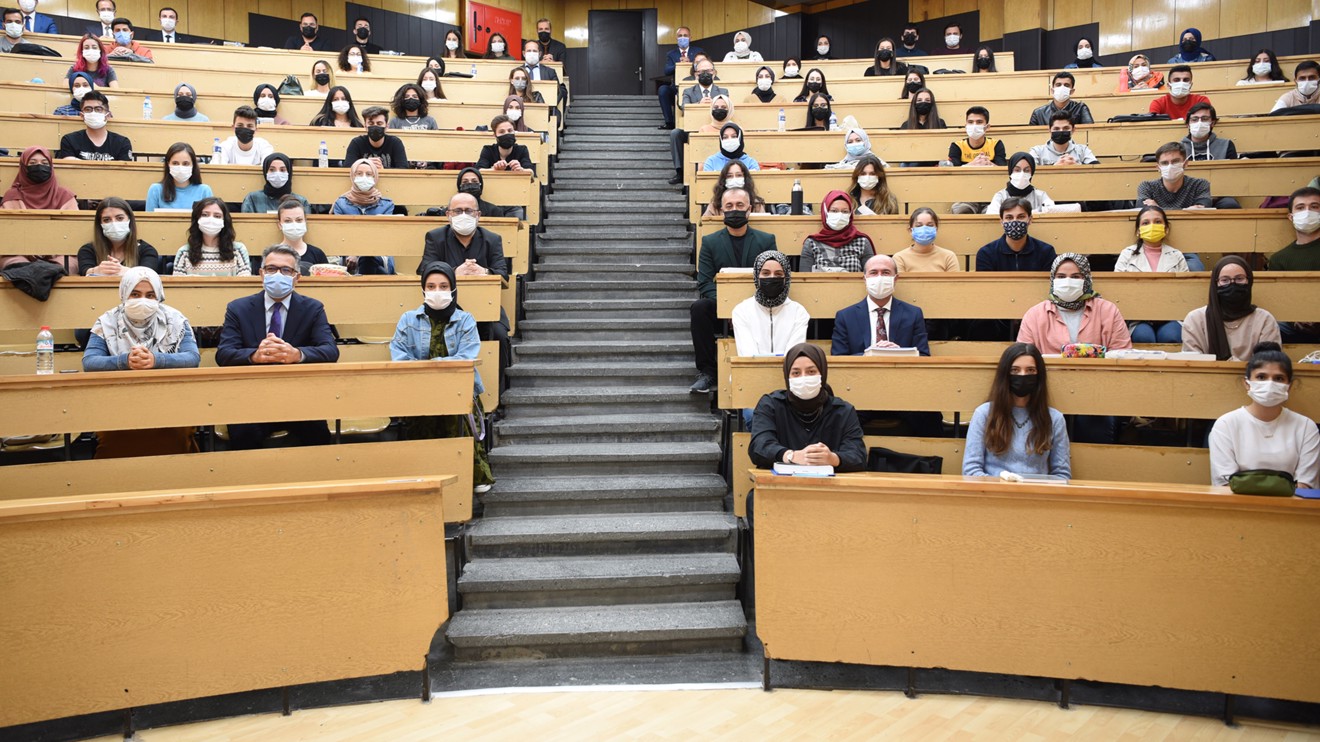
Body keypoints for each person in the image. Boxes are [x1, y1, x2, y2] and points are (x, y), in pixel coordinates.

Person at [216, 244, 340, 449]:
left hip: (298, 395)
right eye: (272, 269)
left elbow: (330, 350)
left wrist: (296, 354)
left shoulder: (313, 308)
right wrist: (255, 355)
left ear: (297, 277)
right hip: (252, 396)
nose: (278, 274)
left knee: (318, 438)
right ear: (262, 274)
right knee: (243, 436)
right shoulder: (238, 308)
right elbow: (224, 354)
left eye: (286, 270)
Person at [391, 261, 495, 493]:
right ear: (423, 289)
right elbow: (398, 356)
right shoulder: (407, 319)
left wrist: (430, 367)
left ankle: (472, 477)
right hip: (418, 388)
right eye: (431, 286)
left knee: (457, 408)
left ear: (453, 289)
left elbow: (466, 356)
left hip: (457, 386)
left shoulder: (465, 319)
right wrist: (429, 373)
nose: (437, 291)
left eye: (443, 286)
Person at [83, 266, 201, 457]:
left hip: (169, 400)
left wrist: (156, 360)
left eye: (150, 295)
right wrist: (125, 362)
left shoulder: (175, 320)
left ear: (159, 297)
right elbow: (90, 361)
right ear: (124, 294)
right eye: (135, 294)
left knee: (175, 439)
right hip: (119, 401)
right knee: (116, 442)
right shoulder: (107, 321)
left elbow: (192, 358)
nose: (142, 300)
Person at [417, 192, 511, 388]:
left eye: (469, 211)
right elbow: (424, 269)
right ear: (448, 215)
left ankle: (496, 392)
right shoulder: (435, 237)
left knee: (500, 335)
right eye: (458, 211)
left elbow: (503, 273)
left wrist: (483, 272)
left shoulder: (492, 239)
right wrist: (452, 273)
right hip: (444, 308)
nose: (463, 215)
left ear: (478, 215)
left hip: (486, 310)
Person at [690, 187, 777, 394]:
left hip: (758, 305)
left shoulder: (766, 240)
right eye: (729, 206)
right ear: (721, 210)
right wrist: (729, 308)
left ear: (749, 209)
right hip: (722, 305)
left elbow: (773, 277)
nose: (734, 210)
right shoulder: (710, 242)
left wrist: (745, 308)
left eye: (739, 205)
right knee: (699, 308)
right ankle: (708, 372)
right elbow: (705, 282)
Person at [1209, 342, 1318, 489]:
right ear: (1247, 383)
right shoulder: (1225, 425)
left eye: (1279, 379)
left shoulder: (1306, 427)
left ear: (1289, 386)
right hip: (1238, 508)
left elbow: (1306, 485)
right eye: (1261, 377)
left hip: (1290, 509)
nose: (1270, 384)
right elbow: (1224, 485)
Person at [749, 343, 866, 473]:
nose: (803, 378)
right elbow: (758, 447)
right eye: (796, 373)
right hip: (778, 487)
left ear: (822, 373)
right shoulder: (770, 405)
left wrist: (833, 458)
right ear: (787, 376)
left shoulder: (843, 411)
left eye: (811, 372)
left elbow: (858, 455)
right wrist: (791, 456)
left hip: (829, 489)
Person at [962, 343, 1070, 479]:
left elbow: (1062, 475)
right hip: (994, 495)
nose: (1023, 375)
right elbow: (971, 471)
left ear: (1039, 375)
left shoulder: (1054, 418)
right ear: (1005, 374)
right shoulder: (984, 414)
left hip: (1036, 496)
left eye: (1030, 370)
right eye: (1015, 370)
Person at [1017, 253, 1133, 353]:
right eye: (1061, 277)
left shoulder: (1108, 311)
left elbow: (1121, 353)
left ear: (1086, 280)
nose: (1067, 282)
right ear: (1053, 280)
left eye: (1076, 277)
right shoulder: (1034, 315)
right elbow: (1024, 356)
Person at [1114, 205, 1188, 343]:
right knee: (1143, 337)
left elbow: (1185, 291)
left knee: (1171, 336)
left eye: (1158, 222)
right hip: (1137, 317)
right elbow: (1119, 291)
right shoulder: (1126, 255)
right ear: (1138, 231)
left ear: (1166, 229)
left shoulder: (1176, 255)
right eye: (1146, 223)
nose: (1152, 226)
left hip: (1169, 315)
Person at [1182, 257, 1280, 361]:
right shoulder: (1195, 320)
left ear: (1249, 281)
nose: (1232, 284)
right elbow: (1193, 365)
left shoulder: (1264, 320)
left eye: (1239, 279)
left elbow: (1269, 365)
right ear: (1215, 284)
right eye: (1225, 280)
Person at [832, 253, 930, 356]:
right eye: (873, 272)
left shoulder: (913, 314)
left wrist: (900, 354)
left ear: (895, 279)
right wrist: (868, 354)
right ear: (865, 279)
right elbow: (839, 356)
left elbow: (923, 355)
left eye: (885, 272)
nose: (879, 277)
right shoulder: (846, 316)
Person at [732, 250, 809, 357]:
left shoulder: (799, 312)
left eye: (778, 274)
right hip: (750, 373)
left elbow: (793, 357)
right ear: (757, 276)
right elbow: (748, 356)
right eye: (766, 273)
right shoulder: (742, 311)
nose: (772, 278)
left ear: (786, 278)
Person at [78, 197, 158, 276]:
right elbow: (85, 271)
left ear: (129, 220)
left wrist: (126, 271)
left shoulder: (147, 250)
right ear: (100, 224)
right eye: (107, 220)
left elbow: (149, 273)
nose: (114, 223)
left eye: (120, 218)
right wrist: (96, 270)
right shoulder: (88, 250)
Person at [172, 197, 250, 276]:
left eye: (217, 216)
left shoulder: (238, 250)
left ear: (225, 221)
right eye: (205, 215)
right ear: (197, 219)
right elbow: (178, 286)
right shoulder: (184, 252)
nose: (210, 220)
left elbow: (244, 285)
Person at [975, 198, 1056, 272]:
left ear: (1030, 220)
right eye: (1009, 217)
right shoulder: (986, 254)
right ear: (1001, 222)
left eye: (1021, 217)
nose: (1015, 222)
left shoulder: (1046, 252)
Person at [801, 192, 875, 272]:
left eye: (845, 212)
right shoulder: (811, 243)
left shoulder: (862, 242)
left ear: (850, 214)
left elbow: (871, 275)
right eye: (834, 211)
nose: (839, 215)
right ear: (824, 212)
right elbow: (805, 279)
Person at [56, 91, 133, 161]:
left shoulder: (122, 143)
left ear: (108, 115)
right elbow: (69, 168)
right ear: (82, 115)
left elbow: (123, 173)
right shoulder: (69, 140)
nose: (93, 112)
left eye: (98, 109)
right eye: (88, 109)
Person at [1138, 141, 1212, 210]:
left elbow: (1203, 207)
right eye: (1164, 163)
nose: (1170, 166)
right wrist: (1186, 211)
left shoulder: (1199, 184)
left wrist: (1158, 209)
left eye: (1175, 161)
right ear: (1158, 167)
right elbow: (1144, 210)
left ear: (1185, 164)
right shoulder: (1147, 186)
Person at [2, 146, 77, 210]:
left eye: (44, 163)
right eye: (32, 163)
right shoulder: (12, 196)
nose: (39, 167)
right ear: (24, 168)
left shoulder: (65, 196)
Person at [658, 26, 703, 130]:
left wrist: (691, 63)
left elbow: (705, 65)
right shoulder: (671, 54)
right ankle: (669, 122)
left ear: (690, 37)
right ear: (676, 38)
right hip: (676, 87)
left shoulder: (698, 51)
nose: (683, 38)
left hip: (695, 85)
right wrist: (678, 64)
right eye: (680, 36)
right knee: (663, 90)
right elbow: (667, 71)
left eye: (685, 35)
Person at [145, 142, 211, 212]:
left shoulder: (204, 191)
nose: (180, 168)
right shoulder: (156, 190)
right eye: (175, 163)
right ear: (168, 164)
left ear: (193, 165)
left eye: (185, 163)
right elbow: (149, 222)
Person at [985, 152, 1056, 215]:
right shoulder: (1000, 196)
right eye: (1017, 170)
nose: (1022, 174)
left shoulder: (1040, 195)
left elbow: (1052, 212)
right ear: (1010, 171)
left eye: (1027, 170)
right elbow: (992, 216)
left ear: (1032, 173)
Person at [271, 196, 329, 272]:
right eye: (288, 221)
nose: (294, 224)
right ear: (279, 225)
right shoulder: (271, 255)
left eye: (299, 220)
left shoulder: (318, 254)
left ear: (305, 222)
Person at [1269, 186, 1320, 271]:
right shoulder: (1279, 260)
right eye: (1300, 208)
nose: (1307, 212)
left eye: (1314, 207)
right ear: (1291, 217)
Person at [893, 208, 960, 273]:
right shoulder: (899, 258)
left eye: (930, 225)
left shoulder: (949, 257)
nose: (924, 229)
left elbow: (954, 284)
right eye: (919, 225)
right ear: (910, 230)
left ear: (936, 229)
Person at [242, 153, 310, 214]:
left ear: (289, 172)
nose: (277, 174)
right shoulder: (252, 199)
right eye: (272, 170)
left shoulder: (301, 201)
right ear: (266, 172)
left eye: (282, 170)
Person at [1028, 111, 1099, 166]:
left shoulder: (1083, 150)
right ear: (1049, 130)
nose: (1061, 131)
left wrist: (1077, 166)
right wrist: (1054, 168)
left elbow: (1097, 171)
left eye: (1066, 128)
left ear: (1073, 130)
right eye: (1056, 128)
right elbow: (1029, 173)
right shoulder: (1037, 151)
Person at [1028, 71, 1094, 126]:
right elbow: (1031, 137)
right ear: (1052, 90)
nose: (1062, 88)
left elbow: (1089, 131)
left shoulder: (1080, 108)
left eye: (1066, 85)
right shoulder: (1039, 113)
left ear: (1072, 91)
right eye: (1058, 85)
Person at [455, 167, 521, 219]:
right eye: (465, 182)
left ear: (481, 185)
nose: (470, 184)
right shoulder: (449, 211)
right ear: (459, 186)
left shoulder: (494, 211)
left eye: (474, 181)